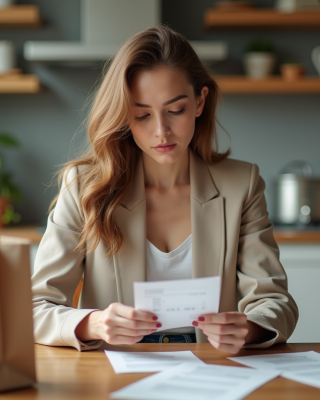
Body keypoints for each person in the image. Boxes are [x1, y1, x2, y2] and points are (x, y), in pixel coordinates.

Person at [31, 25, 298, 353]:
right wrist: (94, 322)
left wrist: (250, 328)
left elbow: (276, 302)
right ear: (124, 116)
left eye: (175, 110)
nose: (161, 131)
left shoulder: (241, 185)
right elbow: (36, 307)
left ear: (200, 102)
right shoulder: (84, 186)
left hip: (212, 366)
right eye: (142, 115)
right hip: (114, 369)